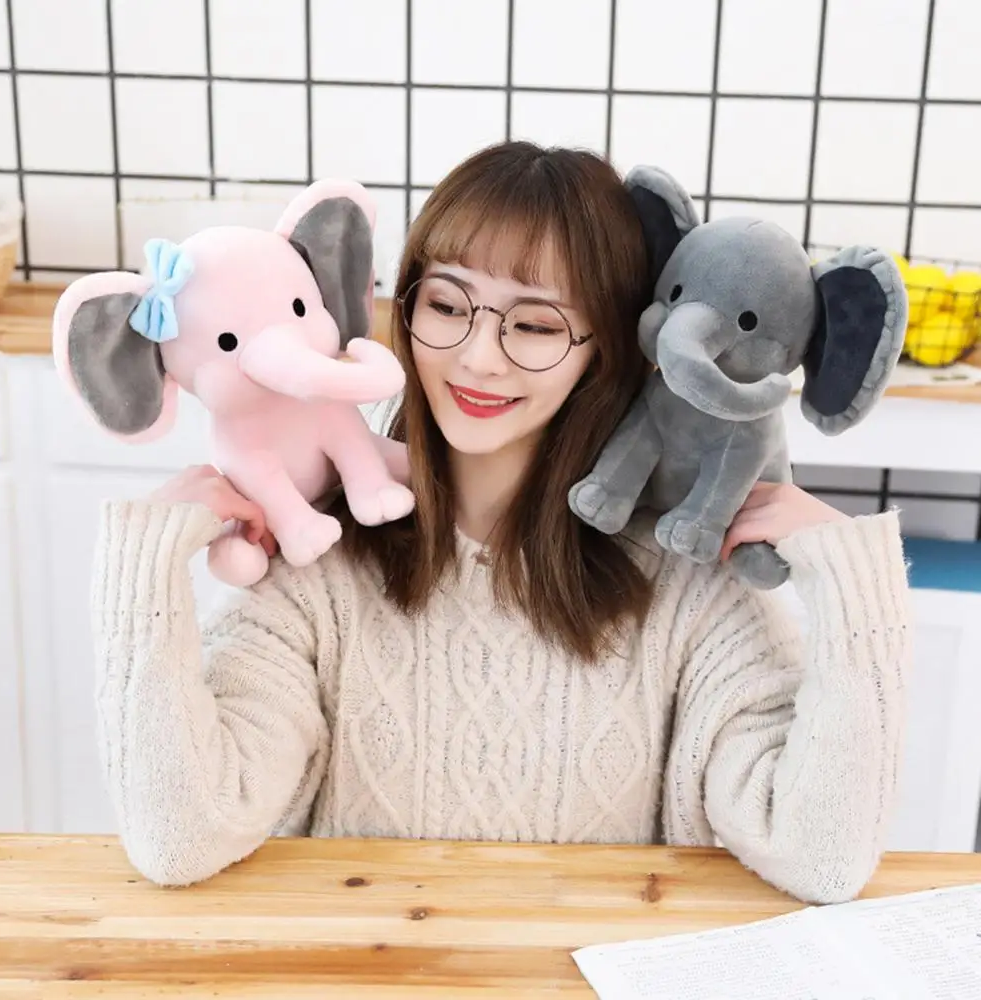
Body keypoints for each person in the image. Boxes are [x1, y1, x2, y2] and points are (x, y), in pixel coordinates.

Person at [89, 140, 910, 903]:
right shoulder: (320, 565)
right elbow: (178, 839)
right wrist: (144, 566)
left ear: (603, 348)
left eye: (537, 324)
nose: (479, 358)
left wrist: (846, 574)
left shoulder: (688, 591)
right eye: (448, 305)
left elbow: (822, 858)